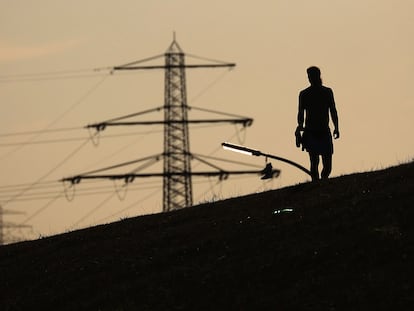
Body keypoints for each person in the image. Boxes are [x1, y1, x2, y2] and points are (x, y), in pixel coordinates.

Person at [296, 66, 340, 181]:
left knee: (327, 164)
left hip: (324, 130)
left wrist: (336, 127)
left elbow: (333, 110)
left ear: (318, 76)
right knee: (314, 161)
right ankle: (315, 183)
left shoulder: (327, 92)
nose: (310, 78)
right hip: (311, 132)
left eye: (312, 76)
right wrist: (299, 127)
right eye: (309, 76)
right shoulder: (304, 94)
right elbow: (301, 112)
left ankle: (324, 179)